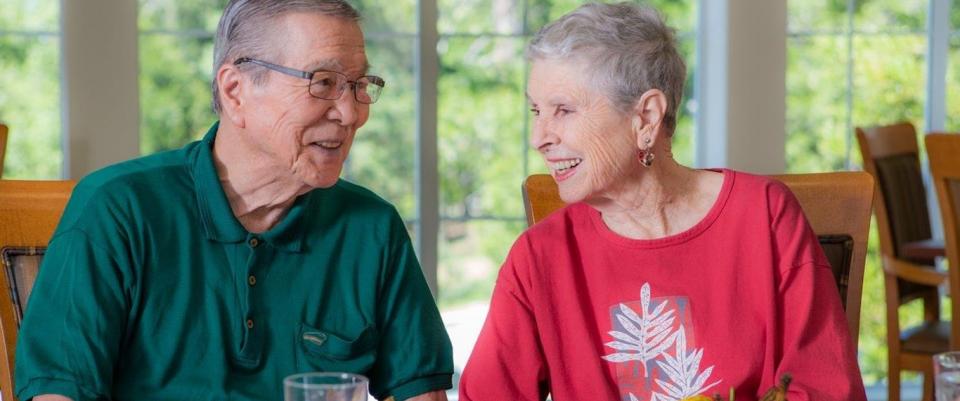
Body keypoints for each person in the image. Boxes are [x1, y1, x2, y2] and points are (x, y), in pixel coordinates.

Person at [15, 1, 452, 400]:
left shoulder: (371, 228)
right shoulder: (117, 210)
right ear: (235, 89)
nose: (352, 112)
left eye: (359, 85)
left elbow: (421, 393)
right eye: (323, 82)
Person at [458, 3, 866, 401]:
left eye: (563, 110)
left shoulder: (766, 216)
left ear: (647, 117)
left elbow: (826, 387)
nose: (539, 137)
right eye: (536, 111)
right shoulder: (539, 256)